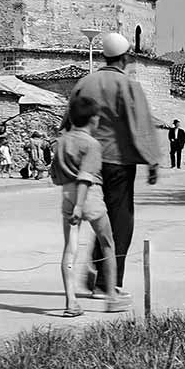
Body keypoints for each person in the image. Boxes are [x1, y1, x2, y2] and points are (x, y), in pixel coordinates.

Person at [66, 32, 159, 298]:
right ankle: (108, 283)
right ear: (126, 58)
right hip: (118, 160)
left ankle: (94, 277)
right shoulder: (128, 86)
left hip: (87, 161)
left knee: (97, 215)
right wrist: (152, 159)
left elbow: (68, 119)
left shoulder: (85, 83)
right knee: (120, 220)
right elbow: (141, 125)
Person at [52, 95, 130, 317]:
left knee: (70, 248)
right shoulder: (92, 144)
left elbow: (55, 176)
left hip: (67, 193)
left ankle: (71, 302)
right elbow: (86, 176)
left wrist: (72, 201)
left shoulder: (61, 142)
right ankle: (112, 297)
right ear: (93, 119)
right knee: (107, 243)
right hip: (89, 196)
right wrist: (80, 205)